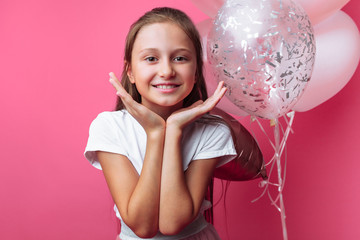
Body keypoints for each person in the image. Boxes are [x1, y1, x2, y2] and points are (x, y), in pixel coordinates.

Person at [85, 7, 264, 240]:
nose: (167, 71)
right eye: (151, 59)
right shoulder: (109, 127)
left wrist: (174, 131)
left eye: (180, 58)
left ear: (196, 72)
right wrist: (156, 132)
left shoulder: (213, 130)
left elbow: (172, 223)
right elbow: (142, 226)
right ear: (130, 71)